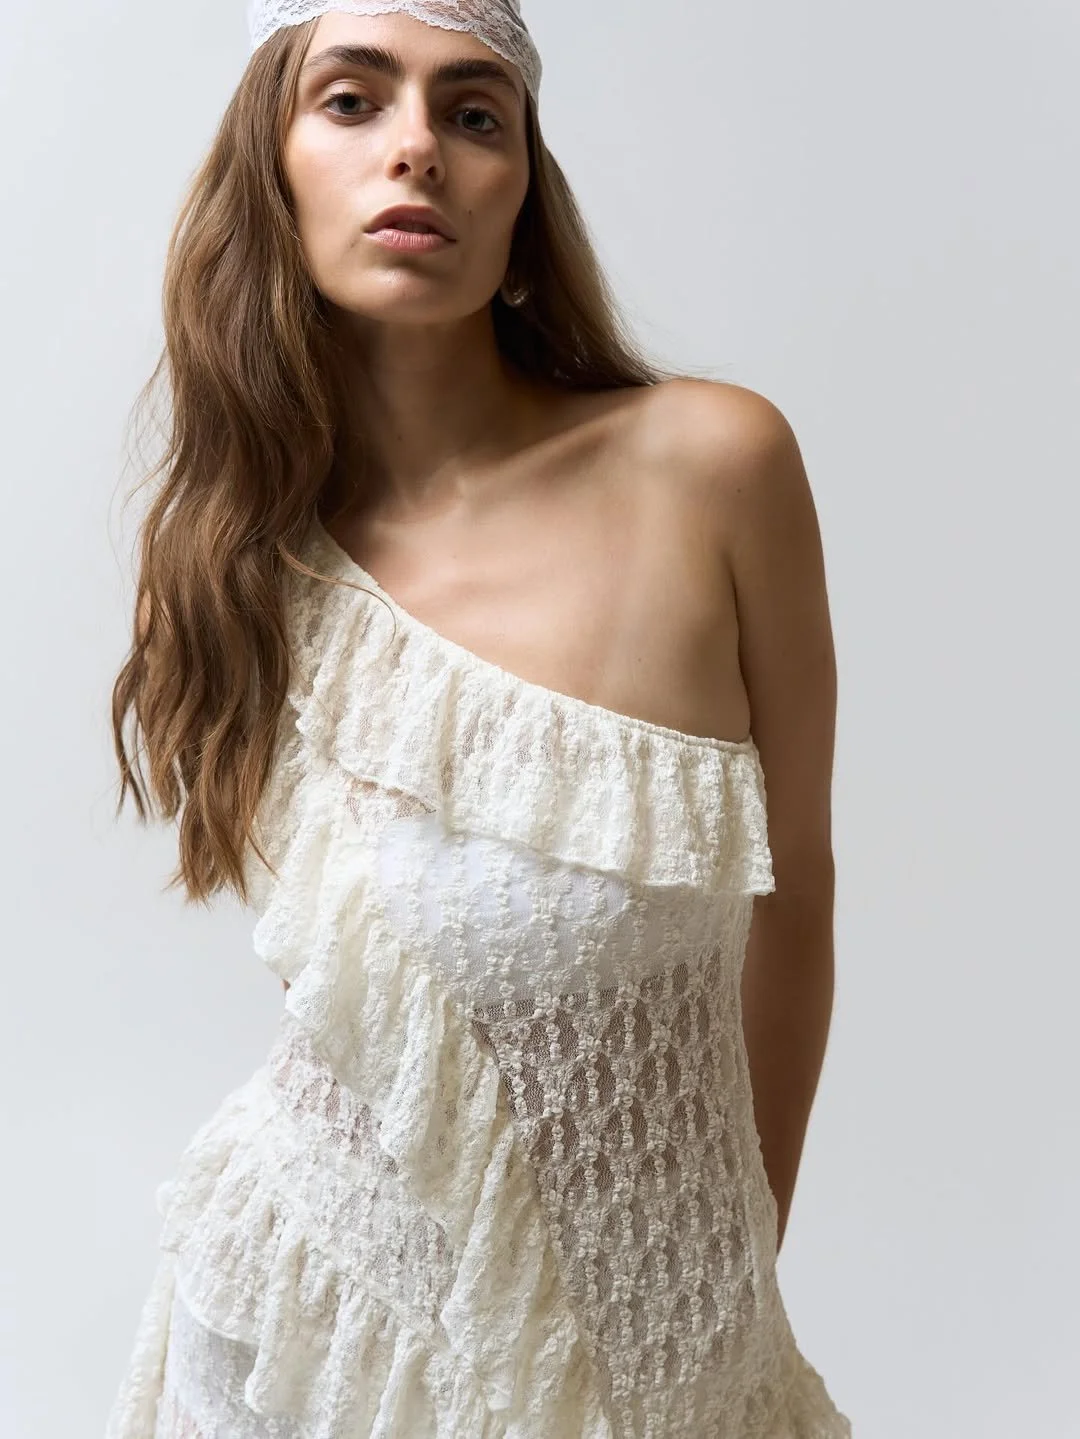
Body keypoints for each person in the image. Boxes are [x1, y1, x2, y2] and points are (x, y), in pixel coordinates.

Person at [106, 1, 851, 1434]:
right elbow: (384, 1018)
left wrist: (727, 1287)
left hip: (673, 1357)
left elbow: (797, 897)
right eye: (351, 102)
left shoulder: (713, 466)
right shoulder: (232, 565)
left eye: (471, 114)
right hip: (301, 1338)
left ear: (522, 193)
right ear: (272, 168)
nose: (418, 152)